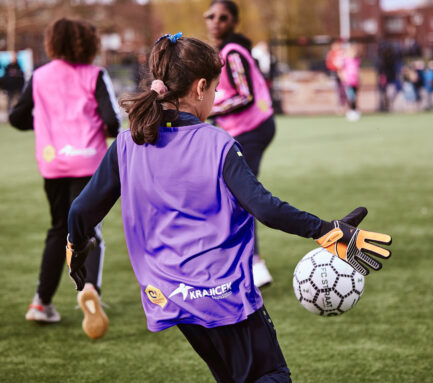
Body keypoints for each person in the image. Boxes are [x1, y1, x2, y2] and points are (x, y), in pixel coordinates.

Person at [65, 32, 392, 383]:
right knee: (270, 375)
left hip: (171, 298)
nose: (217, 95)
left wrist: (77, 251)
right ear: (200, 87)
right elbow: (264, 208)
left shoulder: (127, 144)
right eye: (217, 88)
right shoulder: (216, 143)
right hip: (223, 298)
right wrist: (328, 230)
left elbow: (80, 212)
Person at [8, 18, 121, 338]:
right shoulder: (95, 74)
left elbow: (17, 117)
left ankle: (41, 302)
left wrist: (48, 124)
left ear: (52, 42)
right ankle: (91, 291)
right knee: (88, 229)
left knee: (59, 229)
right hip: (88, 165)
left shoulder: (40, 76)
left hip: (53, 164)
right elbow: (113, 122)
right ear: (89, 43)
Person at [204, 0, 276, 287]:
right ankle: (243, 260)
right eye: (210, 16)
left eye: (222, 17)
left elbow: (244, 95)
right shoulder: (226, 50)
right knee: (233, 194)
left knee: (240, 195)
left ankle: (255, 265)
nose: (215, 22)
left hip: (251, 130)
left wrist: (208, 111)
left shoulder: (232, 52)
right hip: (244, 130)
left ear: (233, 21)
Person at [340, 43, 361, 121]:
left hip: (355, 81)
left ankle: (355, 110)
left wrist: (359, 78)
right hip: (348, 82)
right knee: (350, 97)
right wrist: (343, 78)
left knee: (355, 97)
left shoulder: (357, 60)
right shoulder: (345, 60)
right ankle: (351, 110)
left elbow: (358, 71)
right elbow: (341, 70)